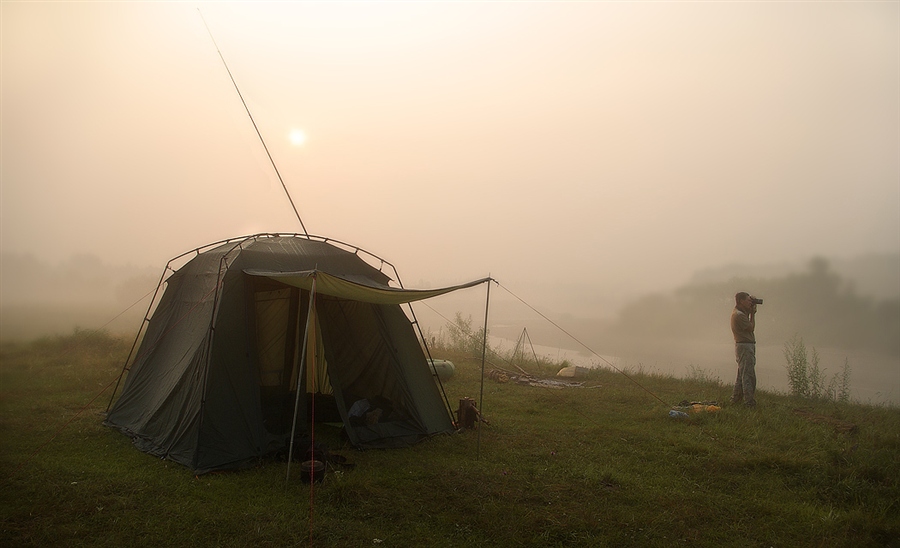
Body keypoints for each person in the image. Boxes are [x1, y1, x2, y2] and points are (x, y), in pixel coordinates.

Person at [731, 291, 758, 407]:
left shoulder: (739, 313)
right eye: (748, 300)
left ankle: (735, 399)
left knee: (741, 374)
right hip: (745, 346)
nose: (750, 302)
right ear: (741, 301)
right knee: (748, 375)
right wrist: (753, 314)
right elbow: (750, 327)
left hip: (743, 345)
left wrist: (751, 310)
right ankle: (749, 402)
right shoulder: (739, 315)